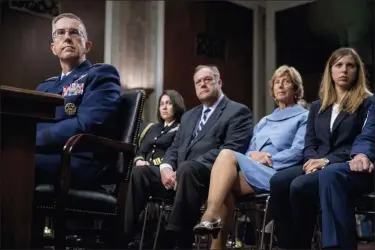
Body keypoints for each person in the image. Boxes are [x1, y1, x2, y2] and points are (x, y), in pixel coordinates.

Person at [124, 65, 253, 248]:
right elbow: (175, 148)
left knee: (187, 169)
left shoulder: (238, 111)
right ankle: (128, 236)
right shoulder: (189, 116)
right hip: (179, 174)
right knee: (139, 173)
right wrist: (166, 168)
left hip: (211, 176)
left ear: (219, 82)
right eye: (198, 82)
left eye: (207, 80)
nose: (202, 84)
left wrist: (186, 167)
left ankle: (177, 240)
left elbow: (232, 150)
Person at [193, 65, 309, 249]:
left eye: (286, 82)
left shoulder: (304, 117)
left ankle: (210, 214)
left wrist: (267, 159)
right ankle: (216, 246)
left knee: (226, 154)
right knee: (224, 188)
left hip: (279, 173)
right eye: (277, 82)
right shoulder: (264, 121)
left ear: (296, 89)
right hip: (255, 171)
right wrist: (254, 156)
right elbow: (248, 153)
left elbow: (298, 152)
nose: (280, 86)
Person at [269, 47, 373, 249]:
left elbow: (364, 138)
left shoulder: (368, 102)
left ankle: (302, 244)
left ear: (357, 71)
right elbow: (310, 142)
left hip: (346, 164)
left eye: (350, 66)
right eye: (339, 65)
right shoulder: (317, 106)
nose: (344, 70)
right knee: (279, 180)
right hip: (317, 163)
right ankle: (286, 244)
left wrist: (326, 161)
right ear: (330, 71)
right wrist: (312, 162)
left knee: (300, 185)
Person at [35, 13, 121, 187]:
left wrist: (33, 138)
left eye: (74, 32)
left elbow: (87, 123)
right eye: (60, 33)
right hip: (46, 153)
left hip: (79, 159)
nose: (67, 37)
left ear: (87, 45)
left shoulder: (101, 74)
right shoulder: (45, 87)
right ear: (53, 48)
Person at [318, 95, 374, 249]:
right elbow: (368, 134)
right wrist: (361, 154)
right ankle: (336, 246)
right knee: (330, 174)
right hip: (370, 167)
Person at [133, 90, 186, 168]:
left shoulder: (181, 128)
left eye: (169, 103)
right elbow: (141, 151)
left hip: (164, 168)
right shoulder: (153, 128)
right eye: (161, 104)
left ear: (177, 105)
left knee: (138, 172)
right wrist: (139, 161)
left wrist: (150, 163)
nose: (164, 107)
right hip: (144, 168)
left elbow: (176, 154)